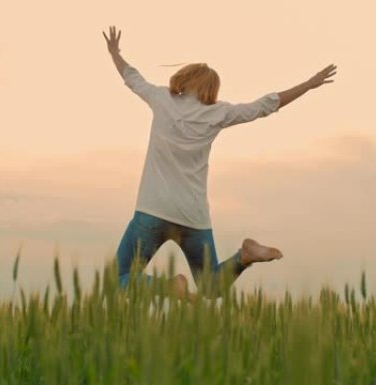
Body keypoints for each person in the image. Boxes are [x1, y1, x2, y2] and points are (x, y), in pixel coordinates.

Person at [103, 26, 336, 299]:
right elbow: (265, 106)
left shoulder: (161, 99)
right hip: (194, 216)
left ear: (183, 78)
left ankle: (166, 287)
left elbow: (132, 77)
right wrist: (308, 85)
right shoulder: (218, 113)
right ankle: (245, 257)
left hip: (153, 210)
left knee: (118, 278)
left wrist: (114, 53)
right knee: (211, 287)